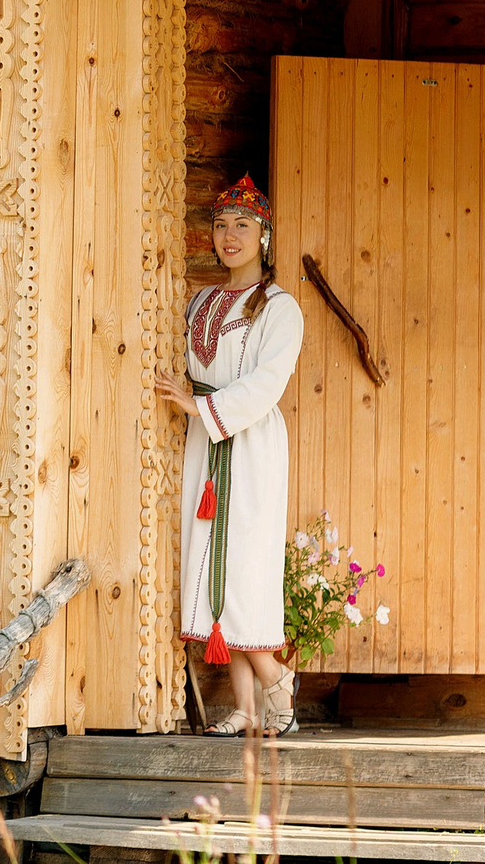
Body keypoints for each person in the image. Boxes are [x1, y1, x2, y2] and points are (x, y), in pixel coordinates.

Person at [151, 174, 304, 735]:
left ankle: (275, 680)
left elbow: (269, 382)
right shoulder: (202, 303)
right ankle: (244, 709)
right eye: (221, 225)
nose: (230, 235)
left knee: (240, 564)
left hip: (251, 441)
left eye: (243, 225)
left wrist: (200, 409)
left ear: (264, 235)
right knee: (212, 563)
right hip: (204, 442)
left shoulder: (280, 308)